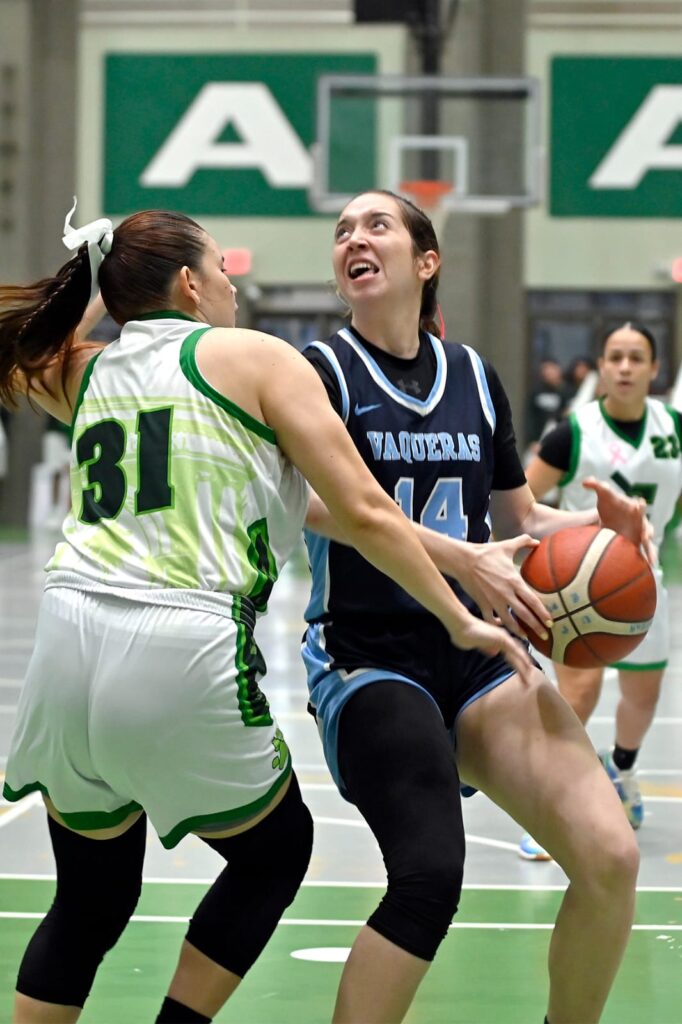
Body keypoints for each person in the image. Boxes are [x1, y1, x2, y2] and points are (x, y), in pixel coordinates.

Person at [0, 205, 532, 1024]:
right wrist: (459, 618)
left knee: (92, 895)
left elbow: (309, 503)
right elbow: (364, 508)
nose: (233, 286)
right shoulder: (253, 357)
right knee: (275, 853)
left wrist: (96, 278)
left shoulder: (88, 370)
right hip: (178, 641)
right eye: (222, 269)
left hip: (65, 646)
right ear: (189, 283)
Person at [301, 190, 651, 1024]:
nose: (355, 236)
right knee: (429, 874)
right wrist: (461, 563)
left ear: (426, 263)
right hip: (368, 654)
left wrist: (600, 528)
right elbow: (305, 501)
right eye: (343, 230)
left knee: (610, 856)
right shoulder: (321, 373)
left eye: (376, 224)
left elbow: (518, 518)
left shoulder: (474, 377)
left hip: (477, 652)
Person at [522, 323, 680, 858]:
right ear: (602, 367)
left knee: (643, 695)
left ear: (655, 370)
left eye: (637, 358)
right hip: (578, 587)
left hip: (643, 583)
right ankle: (549, 803)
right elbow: (521, 497)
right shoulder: (574, 432)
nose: (626, 367)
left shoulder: (675, 428)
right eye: (616, 357)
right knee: (580, 694)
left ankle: (624, 772)